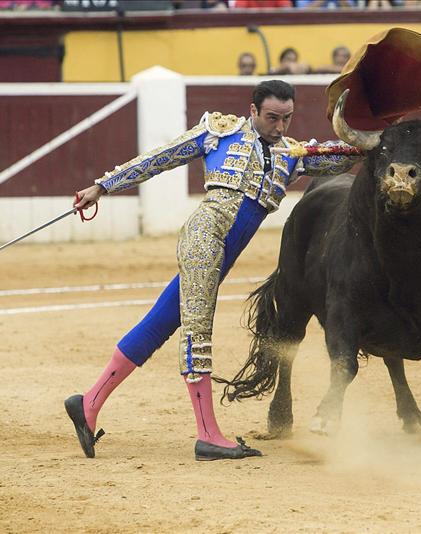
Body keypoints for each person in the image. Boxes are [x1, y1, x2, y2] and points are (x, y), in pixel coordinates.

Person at [65, 80, 360, 461]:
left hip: (223, 252)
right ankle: (208, 435)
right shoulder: (220, 131)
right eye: (272, 118)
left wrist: (381, 138)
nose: (279, 127)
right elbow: (160, 158)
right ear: (253, 110)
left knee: (159, 324)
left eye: (286, 119)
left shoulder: (292, 155)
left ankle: (87, 403)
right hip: (205, 237)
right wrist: (102, 186)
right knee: (198, 331)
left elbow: (343, 155)